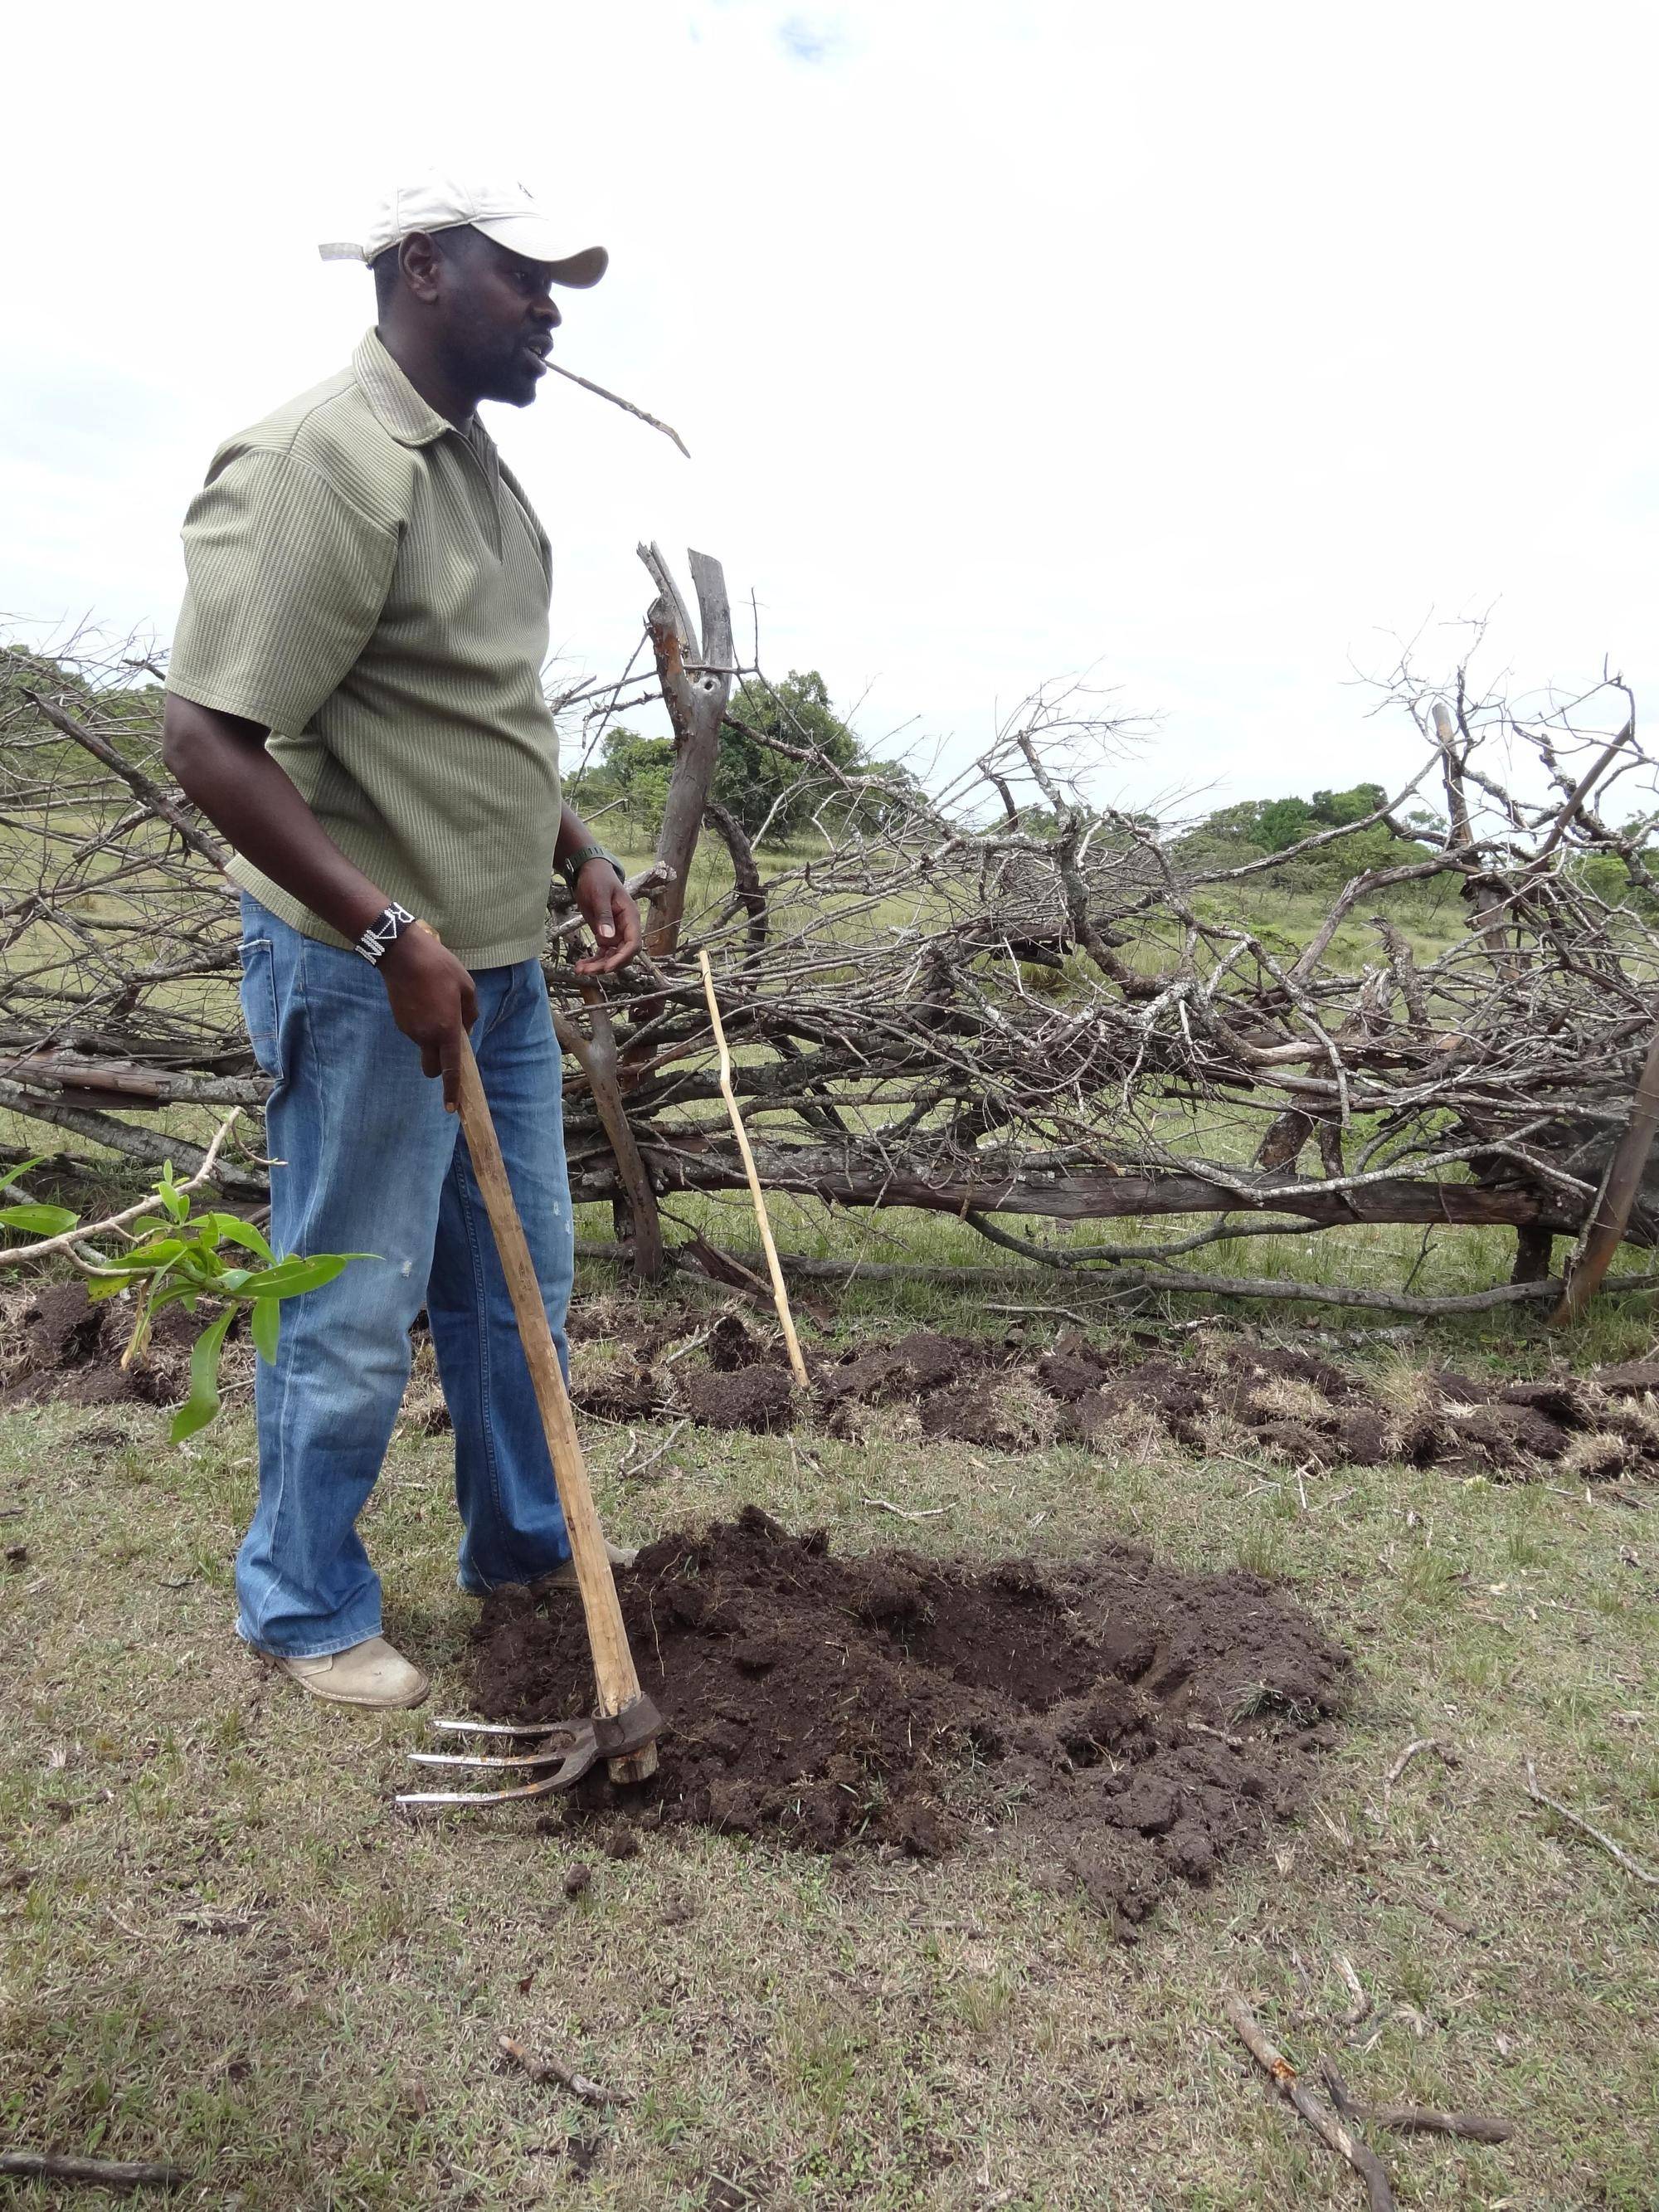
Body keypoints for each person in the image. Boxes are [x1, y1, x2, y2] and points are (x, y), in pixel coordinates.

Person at [163, 174, 642, 1711]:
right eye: (529, 280)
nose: (552, 312)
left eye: (562, 286)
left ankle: (522, 1553)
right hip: (367, 973)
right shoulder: (326, 461)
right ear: (425, 270)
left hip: (490, 969)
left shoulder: (480, 474)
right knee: (354, 1298)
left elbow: (477, 713)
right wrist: (384, 929)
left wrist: (575, 850)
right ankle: (302, 1603)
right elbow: (210, 735)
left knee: (520, 1294)